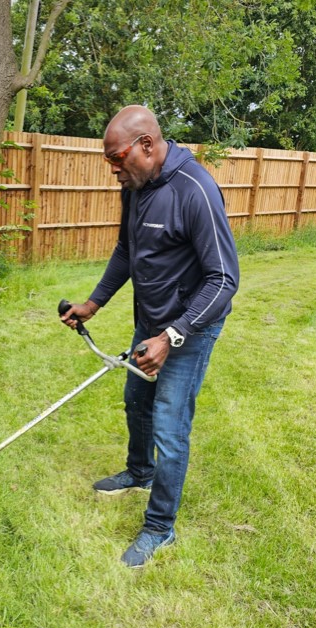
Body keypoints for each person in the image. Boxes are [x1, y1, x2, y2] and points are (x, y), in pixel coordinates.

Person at [60, 105, 239, 568]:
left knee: (169, 425)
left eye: (117, 159)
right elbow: (128, 248)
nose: (114, 170)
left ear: (146, 145)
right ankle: (139, 472)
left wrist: (171, 337)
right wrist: (94, 303)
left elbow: (223, 280)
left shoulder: (195, 189)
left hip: (190, 327)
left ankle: (161, 527)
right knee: (136, 401)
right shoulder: (135, 187)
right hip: (152, 321)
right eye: (109, 163)